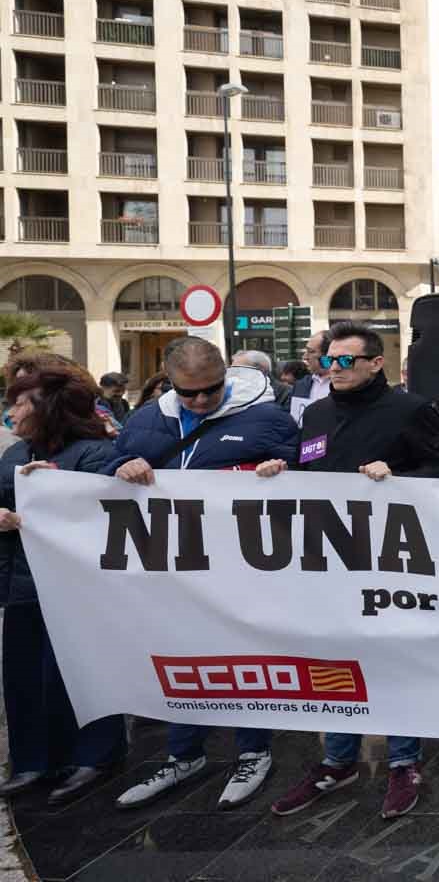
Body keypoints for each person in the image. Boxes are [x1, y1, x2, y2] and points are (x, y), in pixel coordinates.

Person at [256, 322, 439, 820]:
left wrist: (398, 477)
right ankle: (338, 759)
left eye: (346, 360)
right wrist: (282, 475)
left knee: (391, 655)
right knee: (334, 656)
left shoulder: (411, 409)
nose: (334, 369)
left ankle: (403, 760)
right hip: (329, 558)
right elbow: (311, 472)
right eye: (329, 360)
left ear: (375, 363)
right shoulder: (317, 412)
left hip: (392, 559)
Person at [109, 338, 301, 810]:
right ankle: (184, 753)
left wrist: (283, 470)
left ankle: (253, 750)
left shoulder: (267, 417)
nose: (199, 400)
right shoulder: (147, 419)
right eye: (188, 392)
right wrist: (122, 465)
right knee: (182, 655)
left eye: (210, 390)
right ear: (169, 382)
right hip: (173, 566)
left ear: (226, 375)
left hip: (244, 566)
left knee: (246, 657)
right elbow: (111, 464)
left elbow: (307, 476)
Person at [0, 366, 128, 803]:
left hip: (81, 588)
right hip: (24, 583)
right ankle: (34, 761)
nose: (12, 411)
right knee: (24, 676)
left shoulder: (95, 453)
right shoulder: (14, 457)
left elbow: (104, 514)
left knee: (79, 671)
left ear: (50, 409)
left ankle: (96, 755)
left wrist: (54, 490)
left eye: (21, 403)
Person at [284, 330, 333, 426]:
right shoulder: (300, 385)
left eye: (311, 352)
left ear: (328, 355)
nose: (305, 357)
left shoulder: (349, 384)